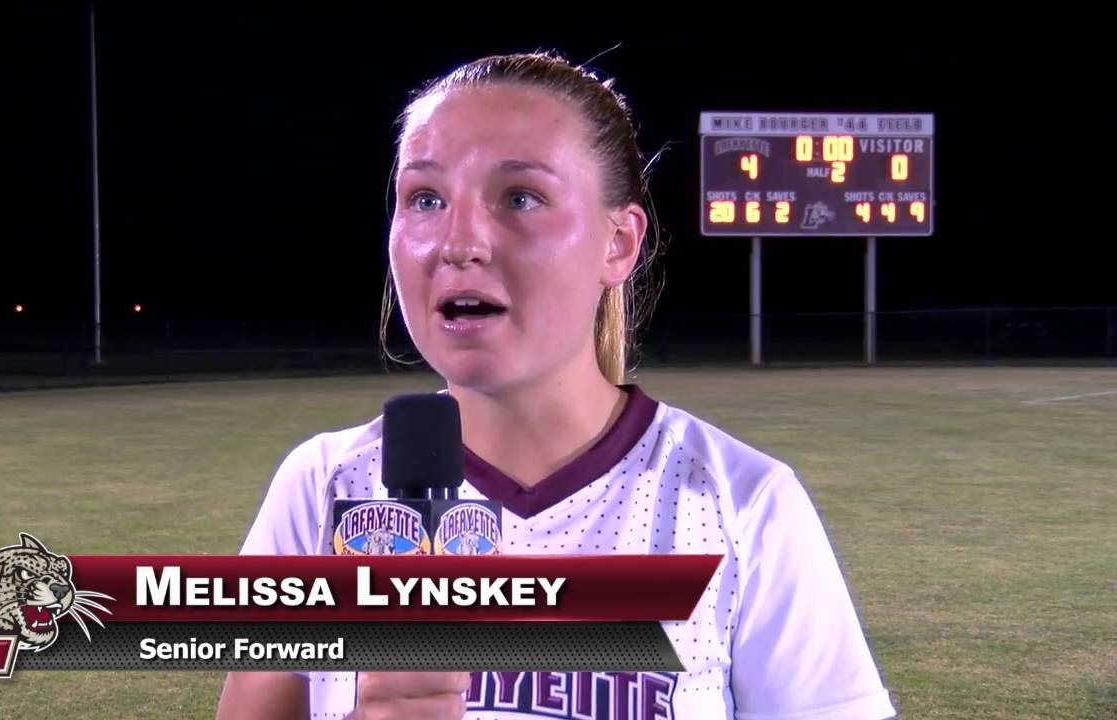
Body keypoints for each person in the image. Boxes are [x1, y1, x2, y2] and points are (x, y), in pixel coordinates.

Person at [216, 51, 896, 720]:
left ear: (619, 242)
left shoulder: (740, 504)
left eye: (520, 197)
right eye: (425, 198)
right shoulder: (325, 489)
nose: (458, 242)